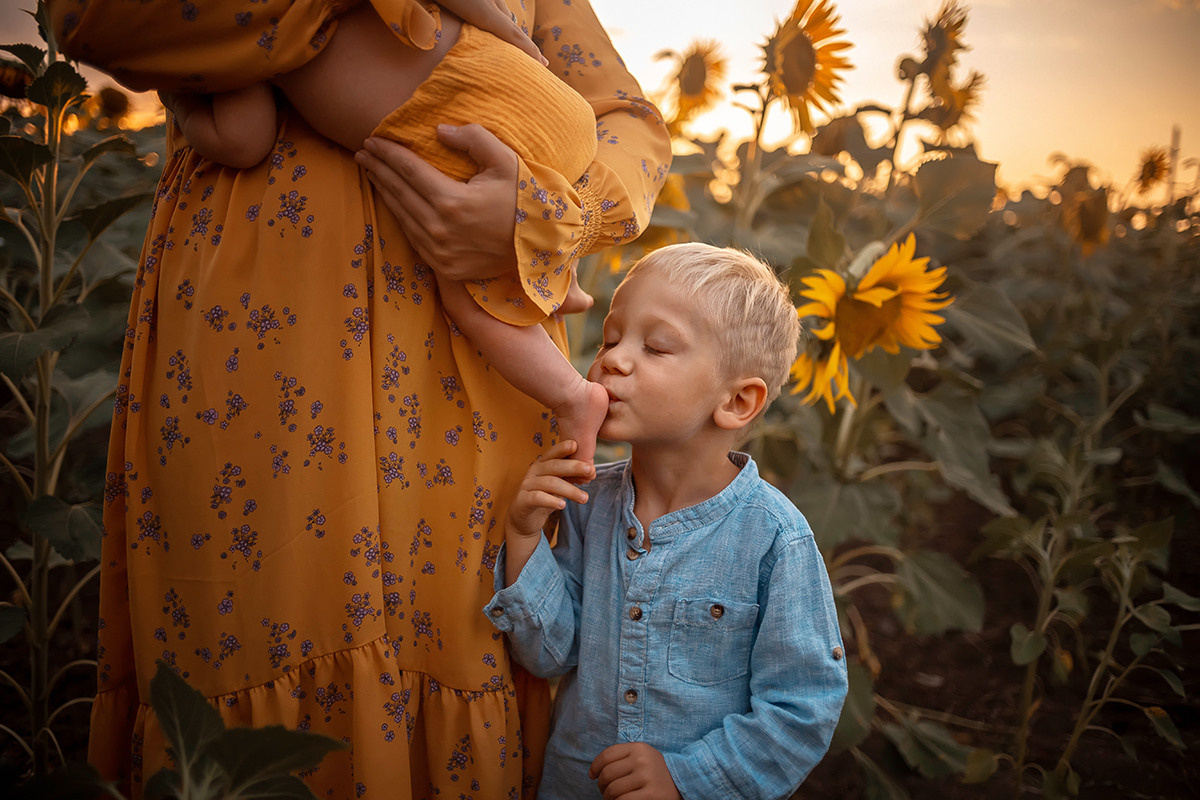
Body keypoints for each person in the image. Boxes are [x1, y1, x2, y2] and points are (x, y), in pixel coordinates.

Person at [48, 0, 672, 796]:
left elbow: (631, 123)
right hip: (261, 368)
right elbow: (92, 17)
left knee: (461, 635)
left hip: (468, 389)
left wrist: (551, 213)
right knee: (245, 679)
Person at [162, 2, 610, 462]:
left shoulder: (243, 30)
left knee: (462, 277)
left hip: (471, 123)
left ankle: (572, 394)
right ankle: (558, 275)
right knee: (507, 216)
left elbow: (242, 139)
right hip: (530, 90)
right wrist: (501, 25)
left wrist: (179, 93)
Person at [484, 243, 849, 799]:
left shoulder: (774, 537)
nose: (612, 359)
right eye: (610, 337)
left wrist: (688, 778)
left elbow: (803, 707)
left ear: (736, 402)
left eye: (655, 347)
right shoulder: (589, 502)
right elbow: (553, 654)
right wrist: (524, 537)